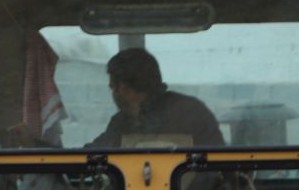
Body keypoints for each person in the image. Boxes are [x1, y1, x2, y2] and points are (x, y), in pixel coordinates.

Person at [88, 48, 224, 149]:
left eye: (112, 87)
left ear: (123, 88)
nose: (113, 94)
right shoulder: (194, 110)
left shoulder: (191, 114)